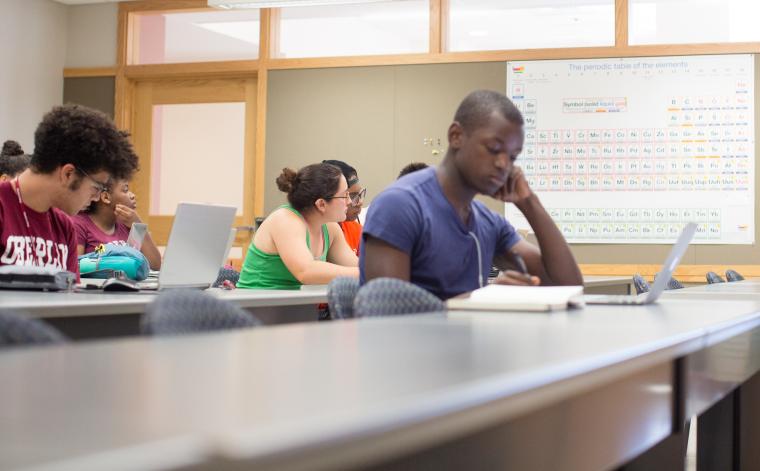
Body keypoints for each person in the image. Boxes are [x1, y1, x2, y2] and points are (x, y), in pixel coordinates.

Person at [361, 90, 582, 299]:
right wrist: (482, 299)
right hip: (411, 340)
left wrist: (529, 203)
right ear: (456, 136)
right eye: (494, 149)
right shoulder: (400, 204)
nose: (504, 164)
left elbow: (567, 285)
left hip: (467, 339)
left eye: (513, 157)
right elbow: (386, 316)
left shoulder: (488, 222)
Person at [0, 104, 138, 273]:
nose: (96, 198)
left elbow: (70, 295)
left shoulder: (64, 227)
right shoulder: (3, 208)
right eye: (97, 187)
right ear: (68, 174)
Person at [237, 163, 359, 289]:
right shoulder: (285, 220)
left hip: (295, 307)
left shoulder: (330, 228)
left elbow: (355, 266)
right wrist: (364, 274)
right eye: (345, 195)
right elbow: (306, 272)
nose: (349, 201)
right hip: (255, 306)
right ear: (321, 204)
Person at [73, 177, 162, 270]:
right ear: (106, 197)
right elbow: (76, 267)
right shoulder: (79, 224)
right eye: (125, 190)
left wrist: (138, 225)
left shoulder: (128, 224)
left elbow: (155, 266)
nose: (132, 195)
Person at [322, 159, 365, 255]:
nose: (360, 202)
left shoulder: (357, 230)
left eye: (360, 194)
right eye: (351, 195)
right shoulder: (312, 232)